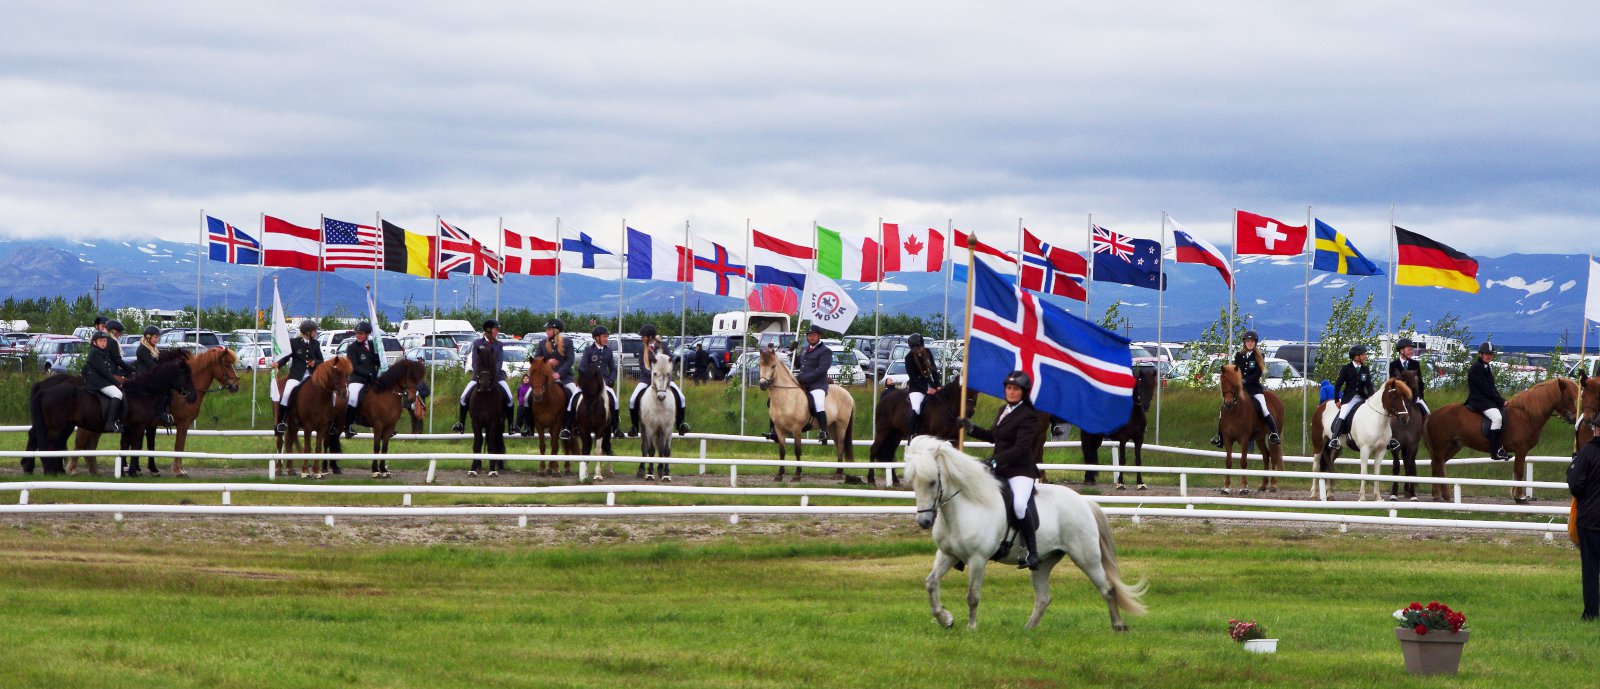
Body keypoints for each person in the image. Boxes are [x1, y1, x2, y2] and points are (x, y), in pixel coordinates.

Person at [959, 371, 1042, 570]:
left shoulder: (1029, 416)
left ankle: (1032, 551)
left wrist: (994, 461)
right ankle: (965, 546)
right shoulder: (1002, 410)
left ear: (1023, 392)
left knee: (1020, 505)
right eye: (1009, 388)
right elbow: (993, 436)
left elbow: (1021, 449)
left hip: (1020, 471)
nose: (1011, 392)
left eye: (1015, 389)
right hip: (1000, 468)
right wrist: (970, 428)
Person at [1210, 330, 1280, 447]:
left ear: (1255, 343)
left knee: (1264, 408)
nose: (1250, 343)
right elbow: (1236, 371)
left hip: (1254, 389)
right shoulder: (1239, 356)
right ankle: (1220, 437)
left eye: (1252, 341)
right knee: (1224, 408)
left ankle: (1274, 433)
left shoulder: (1259, 356)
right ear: (1245, 343)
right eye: (1248, 341)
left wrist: (1245, 380)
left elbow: (1258, 373)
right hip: (1241, 390)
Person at [626, 324, 689, 437]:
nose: (642, 338)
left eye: (644, 336)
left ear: (650, 336)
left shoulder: (663, 346)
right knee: (632, 400)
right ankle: (634, 427)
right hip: (647, 379)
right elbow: (642, 366)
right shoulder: (642, 348)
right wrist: (652, 376)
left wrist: (664, 375)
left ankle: (680, 424)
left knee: (682, 398)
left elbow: (670, 362)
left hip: (665, 379)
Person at [452, 320, 515, 432]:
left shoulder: (499, 344)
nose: (497, 332)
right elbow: (475, 361)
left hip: (496, 376)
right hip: (479, 376)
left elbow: (499, 361)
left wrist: (493, 374)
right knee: (463, 397)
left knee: (509, 398)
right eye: (496, 330)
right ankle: (461, 423)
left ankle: (511, 425)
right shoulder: (477, 343)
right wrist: (480, 374)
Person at [561, 325, 622, 440]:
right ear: (596, 338)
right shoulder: (589, 350)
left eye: (607, 337)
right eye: (604, 337)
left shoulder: (608, 351)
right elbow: (583, 366)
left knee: (615, 400)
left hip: (604, 382)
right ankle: (567, 428)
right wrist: (588, 377)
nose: (606, 339)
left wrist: (611, 379)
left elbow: (613, 368)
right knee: (573, 399)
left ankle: (616, 428)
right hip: (589, 382)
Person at [1569, 431, 1600, 620]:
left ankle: (1591, 613)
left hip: (1591, 519)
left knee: (1590, 568)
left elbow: (1575, 483)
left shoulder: (1588, 451)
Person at [272, 320, 324, 434]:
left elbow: (321, 360)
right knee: (286, 394)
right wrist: (278, 364)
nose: (316, 332)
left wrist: (315, 363)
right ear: (307, 332)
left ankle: (329, 420)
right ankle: (281, 422)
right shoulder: (294, 342)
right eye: (314, 330)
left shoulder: (316, 344)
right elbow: (286, 358)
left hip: (311, 375)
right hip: (297, 374)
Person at [1466, 341, 1513, 461]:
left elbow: (1492, 388)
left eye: (1491, 354)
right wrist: (1501, 401)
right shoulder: (1476, 368)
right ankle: (1495, 451)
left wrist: (1502, 400)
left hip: (1487, 400)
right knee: (1497, 418)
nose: (1489, 356)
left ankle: (1501, 447)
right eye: (1486, 354)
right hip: (1479, 401)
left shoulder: (1487, 367)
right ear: (1481, 354)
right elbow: (1486, 389)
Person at [1326, 345, 1376, 450]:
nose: (1365, 356)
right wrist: (1336, 400)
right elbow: (1338, 384)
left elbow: (1369, 386)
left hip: (1362, 397)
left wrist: (1372, 399)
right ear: (1356, 356)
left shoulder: (1365, 369)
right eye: (1363, 355)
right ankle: (1334, 438)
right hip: (1349, 398)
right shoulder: (1346, 368)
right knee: (1343, 414)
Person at [343, 322, 382, 438]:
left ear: (367, 334)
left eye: (361, 334)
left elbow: (376, 361)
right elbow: (354, 366)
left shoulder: (372, 345)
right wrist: (367, 373)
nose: (358, 336)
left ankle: (385, 424)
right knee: (353, 398)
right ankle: (347, 426)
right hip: (357, 379)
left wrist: (381, 357)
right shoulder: (352, 348)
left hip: (372, 380)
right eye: (357, 334)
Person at [83, 330, 126, 433]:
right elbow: (104, 372)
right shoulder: (95, 353)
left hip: (101, 380)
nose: (103, 343)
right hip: (97, 382)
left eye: (105, 341)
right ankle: (110, 423)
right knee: (118, 394)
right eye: (101, 341)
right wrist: (117, 383)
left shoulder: (102, 352)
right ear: (94, 342)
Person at [795, 325, 833, 443]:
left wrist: (806, 378)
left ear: (819, 336)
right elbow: (798, 365)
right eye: (809, 335)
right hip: (802, 383)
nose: (811, 338)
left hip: (817, 384)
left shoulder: (825, 351)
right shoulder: (805, 349)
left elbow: (821, 369)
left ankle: (823, 431)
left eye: (813, 335)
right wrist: (793, 353)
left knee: (818, 402)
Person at [903, 333, 942, 437]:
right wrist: (926, 390)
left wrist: (938, 385)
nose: (920, 349)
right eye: (917, 348)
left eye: (920, 347)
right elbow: (913, 378)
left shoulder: (928, 352)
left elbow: (934, 370)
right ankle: (912, 434)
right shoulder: (909, 358)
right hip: (916, 388)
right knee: (917, 409)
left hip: (930, 384)